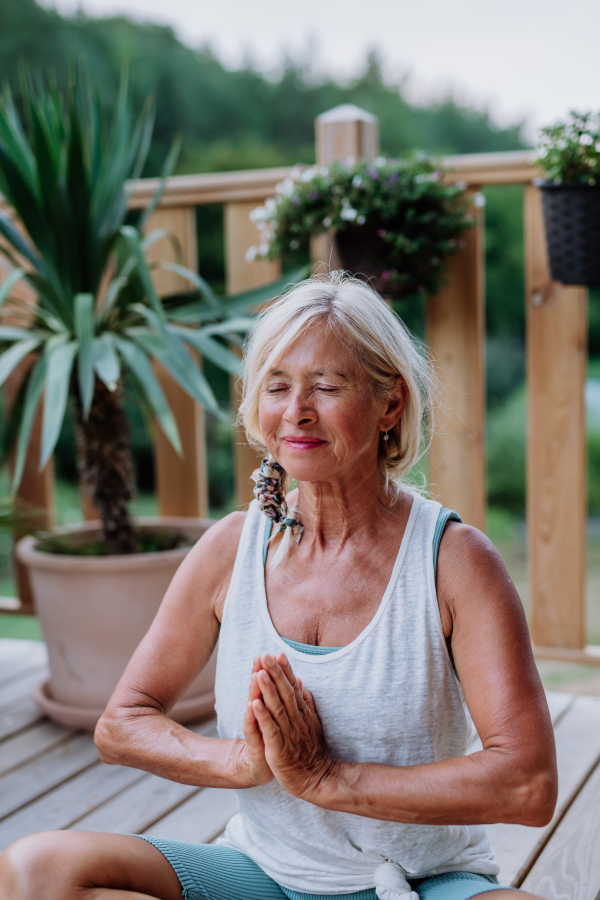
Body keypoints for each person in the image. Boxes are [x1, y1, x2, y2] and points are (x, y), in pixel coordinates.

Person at [0, 272, 557, 900]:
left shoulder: (453, 561)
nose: (297, 410)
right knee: (36, 869)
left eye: (326, 386)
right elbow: (122, 724)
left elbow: (527, 783)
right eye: (278, 386)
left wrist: (327, 778)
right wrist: (239, 762)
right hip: (263, 876)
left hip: (417, 883)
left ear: (390, 404)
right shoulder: (231, 549)